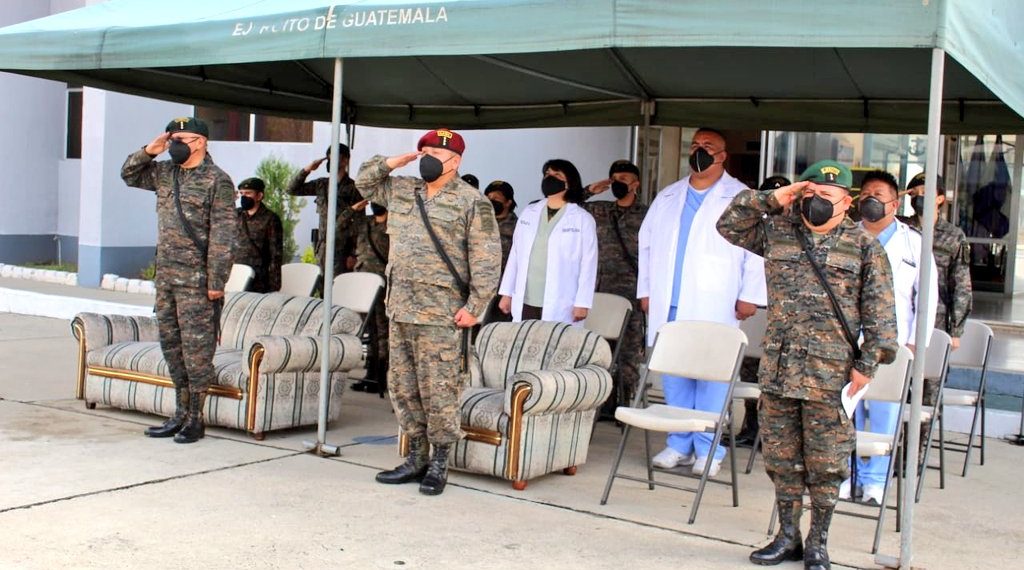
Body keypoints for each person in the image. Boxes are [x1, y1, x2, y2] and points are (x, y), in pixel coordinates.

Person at [717, 160, 898, 570]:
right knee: (782, 458)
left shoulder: (864, 246)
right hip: (780, 370)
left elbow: (882, 319)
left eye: (827, 196)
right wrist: (774, 198)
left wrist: (867, 365)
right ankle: (787, 537)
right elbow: (729, 225)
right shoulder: (779, 231)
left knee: (826, 463)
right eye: (811, 193)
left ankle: (818, 542)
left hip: (830, 376)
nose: (816, 201)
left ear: (847, 202)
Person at [355, 128, 501, 496]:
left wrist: (475, 307)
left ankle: (440, 462)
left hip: (442, 315)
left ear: (456, 161)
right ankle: (416, 457)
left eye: (437, 154)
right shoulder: (404, 190)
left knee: (440, 390)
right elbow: (364, 182)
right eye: (425, 153)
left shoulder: (473, 202)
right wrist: (394, 162)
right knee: (403, 388)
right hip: (401, 309)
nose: (429, 160)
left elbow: (487, 259)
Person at [638, 128, 766, 477]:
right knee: (675, 376)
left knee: (712, 377)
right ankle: (678, 444)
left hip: (716, 301)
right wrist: (646, 290)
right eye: (695, 145)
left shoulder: (741, 197)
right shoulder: (668, 195)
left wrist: (750, 295)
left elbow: (757, 250)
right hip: (670, 300)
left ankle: (709, 449)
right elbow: (646, 244)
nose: (699, 150)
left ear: (723, 156)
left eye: (708, 146)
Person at [121, 116, 237, 444]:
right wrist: (150, 150)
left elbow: (224, 236)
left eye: (181, 139)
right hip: (167, 279)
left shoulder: (217, 180)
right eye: (173, 139)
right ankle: (180, 413)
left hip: (197, 283)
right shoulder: (165, 173)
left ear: (200, 142)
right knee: (172, 349)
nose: (175, 145)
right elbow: (129, 174)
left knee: (196, 352)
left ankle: (196, 419)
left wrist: (216, 281)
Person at [845, 170, 938, 504]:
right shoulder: (844, 236)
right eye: (866, 193)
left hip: (891, 345)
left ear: (895, 204)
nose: (871, 199)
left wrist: (914, 344)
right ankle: (844, 476)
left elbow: (927, 298)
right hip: (846, 340)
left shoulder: (914, 242)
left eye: (879, 195)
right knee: (844, 413)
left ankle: (875, 480)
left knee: (883, 413)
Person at [583, 160, 649, 407]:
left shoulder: (647, 214)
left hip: (632, 290)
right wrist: (590, 190)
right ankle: (603, 400)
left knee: (630, 348)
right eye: (614, 179)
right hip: (600, 289)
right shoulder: (599, 209)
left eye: (624, 179)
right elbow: (567, 204)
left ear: (636, 184)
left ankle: (625, 399)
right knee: (598, 346)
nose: (618, 184)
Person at [498, 159, 597, 323]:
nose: (550, 178)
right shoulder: (529, 212)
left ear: (569, 182)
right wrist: (507, 293)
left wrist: (583, 302)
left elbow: (589, 264)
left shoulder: (582, 219)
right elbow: (515, 255)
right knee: (525, 338)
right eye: (547, 174)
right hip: (526, 296)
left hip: (562, 300)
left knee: (556, 338)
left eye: (557, 175)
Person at [734, 175, 792, 448]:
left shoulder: (796, 229)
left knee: (777, 377)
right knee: (749, 371)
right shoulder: (756, 227)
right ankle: (751, 427)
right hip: (754, 307)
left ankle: (773, 435)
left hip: (783, 312)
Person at [905, 173, 972, 354]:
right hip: (902, 316)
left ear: (940, 198)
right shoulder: (902, 228)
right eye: (914, 193)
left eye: (925, 192)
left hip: (937, 319)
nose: (919, 197)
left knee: (931, 370)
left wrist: (956, 330)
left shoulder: (953, 235)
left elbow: (961, 286)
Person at [287, 143, 362, 286]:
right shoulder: (321, 184)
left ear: (345, 160)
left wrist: (353, 254)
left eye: (335, 157)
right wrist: (307, 169)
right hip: (322, 249)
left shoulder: (354, 188)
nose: (331, 161)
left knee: (340, 290)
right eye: (329, 158)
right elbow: (292, 189)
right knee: (322, 290)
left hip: (343, 251)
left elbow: (359, 224)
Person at [351, 199, 390, 393]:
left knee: (383, 331)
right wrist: (353, 209)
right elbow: (339, 228)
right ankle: (370, 374)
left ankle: (381, 377)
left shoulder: (394, 225)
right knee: (370, 330)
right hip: (363, 284)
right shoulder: (365, 223)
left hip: (383, 285)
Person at [233, 177, 283, 293]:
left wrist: (274, 286)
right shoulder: (236, 214)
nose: (244, 197)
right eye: (241, 193)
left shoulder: (270, 219)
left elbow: (275, 254)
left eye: (248, 193)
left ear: (259, 196)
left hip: (258, 280)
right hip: (236, 275)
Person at [483, 180, 518, 274]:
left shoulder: (518, 228)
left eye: (496, 198)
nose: (491, 200)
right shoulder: (477, 223)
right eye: (488, 197)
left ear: (508, 202)